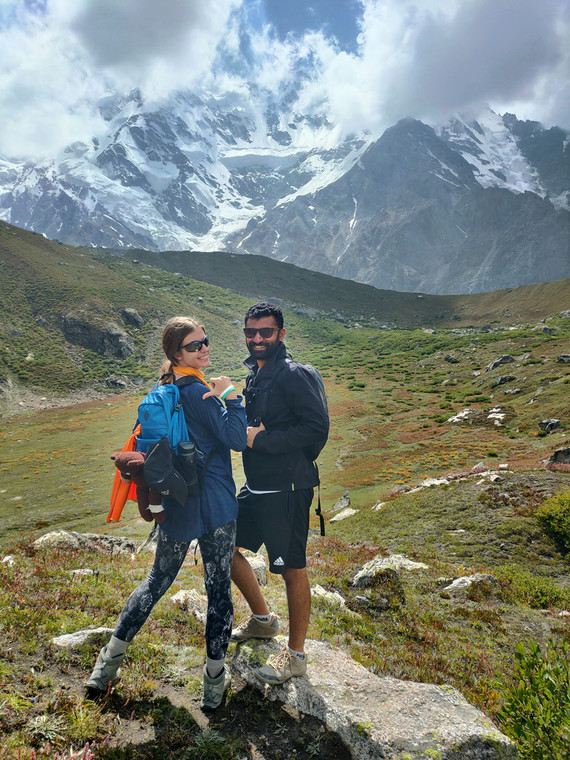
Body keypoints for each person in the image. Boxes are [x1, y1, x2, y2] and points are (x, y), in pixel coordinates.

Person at [86, 316, 246, 711]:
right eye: (195, 345)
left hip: (177, 501)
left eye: (205, 341)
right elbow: (235, 439)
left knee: (157, 580)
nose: (204, 348)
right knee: (218, 590)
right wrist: (231, 397)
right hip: (217, 505)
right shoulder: (199, 392)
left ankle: (105, 668)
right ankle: (212, 687)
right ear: (177, 353)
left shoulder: (166, 388)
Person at [230, 302, 329, 684]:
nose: (257, 339)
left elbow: (316, 429)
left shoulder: (293, 375)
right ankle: (263, 620)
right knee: (222, 545)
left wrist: (264, 439)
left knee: (291, 569)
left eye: (266, 332)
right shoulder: (256, 375)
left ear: (281, 335)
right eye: (251, 332)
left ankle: (297, 656)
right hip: (255, 487)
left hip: (287, 490)